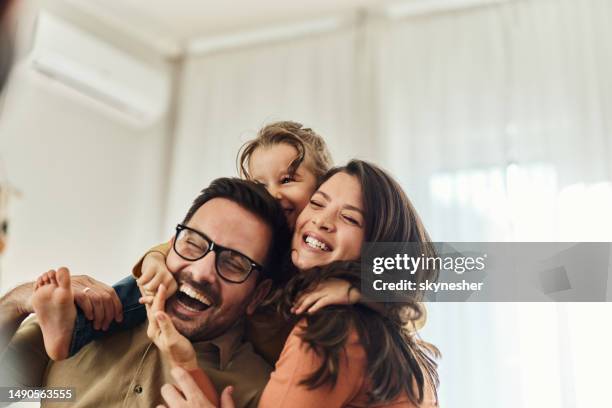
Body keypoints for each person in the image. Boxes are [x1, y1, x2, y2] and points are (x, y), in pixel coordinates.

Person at [152, 160, 440, 408]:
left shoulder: (331, 331)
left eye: (350, 218)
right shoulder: (380, 331)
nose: (321, 221)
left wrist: (360, 288)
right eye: (316, 203)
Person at [0, 177, 291, 408]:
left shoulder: (261, 392)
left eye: (235, 263)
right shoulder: (81, 320)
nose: (202, 271)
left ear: (258, 294)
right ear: (171, 243)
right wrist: (17, 301)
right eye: (193, 243)